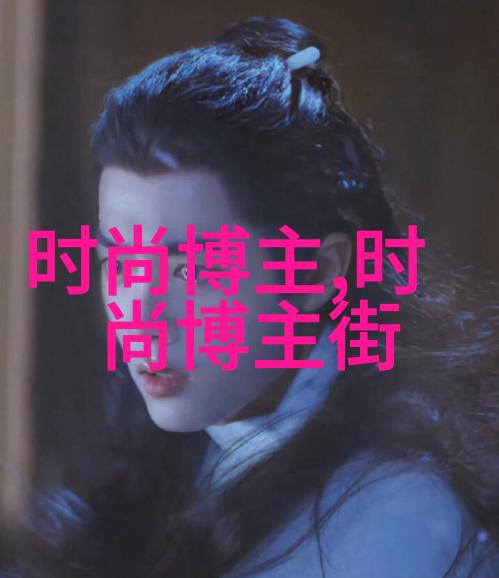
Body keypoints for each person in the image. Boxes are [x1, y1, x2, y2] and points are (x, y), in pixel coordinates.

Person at [2, 16, 498, 578]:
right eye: (120, 262)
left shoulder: (394, 521)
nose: (139, 315)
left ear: (316, 273)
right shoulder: (181, 440)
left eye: (192, 268)